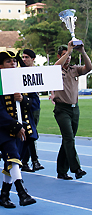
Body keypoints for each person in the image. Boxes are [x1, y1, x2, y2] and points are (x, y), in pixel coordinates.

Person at [0, 51, 37, 208]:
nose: (13, 64)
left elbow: (35, 104)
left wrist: (23, 99)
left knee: (12, 162)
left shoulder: (24, 80)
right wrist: (15, 126)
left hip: (24, 129)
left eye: (14, 61)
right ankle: (22, 193)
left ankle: (4, 196)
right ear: (1, 66)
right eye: (9, 62)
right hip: (5, 129)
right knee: (13, 158)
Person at [50, 41, 92, 180]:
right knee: (69, 138)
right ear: (59, 56)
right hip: (62, 109)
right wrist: (68, 50)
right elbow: (56, 66)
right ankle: (76, 169)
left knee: (67, 140)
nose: (68, 58)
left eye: (68, 56)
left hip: (75, 109)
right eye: (64, 55)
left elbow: (89, 68)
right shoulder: (56, 70)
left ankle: (61, 171)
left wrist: (83, 52)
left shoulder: (74, 69)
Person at [20, 49, 44, 172]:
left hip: (34, 106)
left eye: (27, 57)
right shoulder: (19, 72)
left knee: (31, 134)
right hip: (24, 105)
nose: (24, 59)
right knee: (31, 133)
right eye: (23, 57)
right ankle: (33, 161)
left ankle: (26, 161)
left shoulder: (37, 72)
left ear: (33, 59)